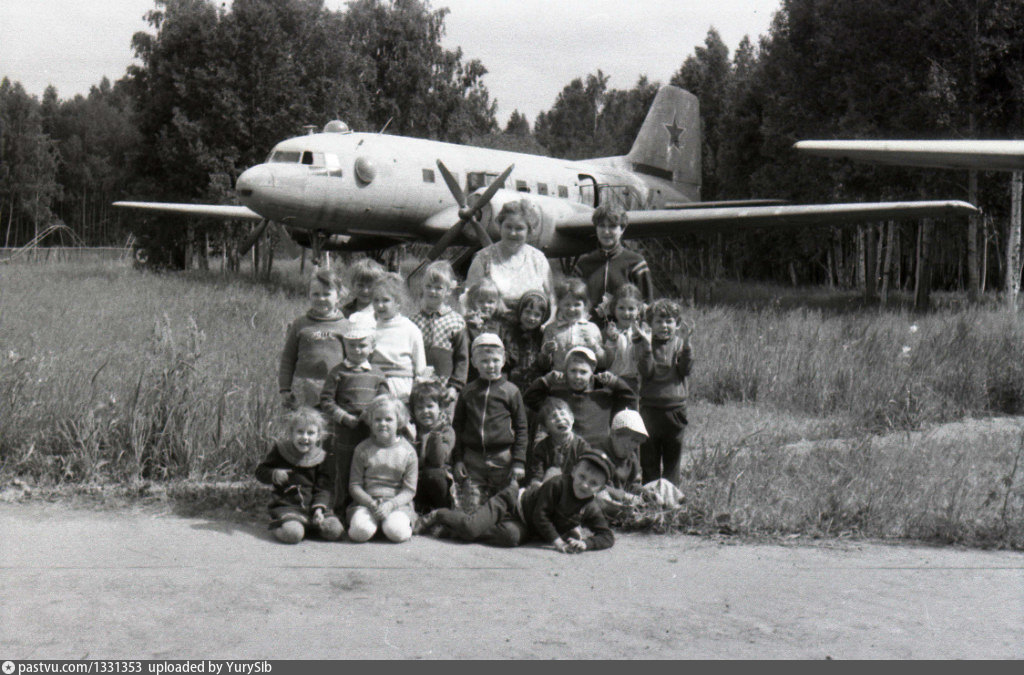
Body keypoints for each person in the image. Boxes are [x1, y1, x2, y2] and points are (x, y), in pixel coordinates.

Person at [417, 450, 616, 552]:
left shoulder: (590, 507)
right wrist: (557, 542)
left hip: (526, 524)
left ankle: (451, 530)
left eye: (593, 483)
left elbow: (607, 536)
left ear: (600, 489)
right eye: (582, 477)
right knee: (471, 528)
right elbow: (541, 515)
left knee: (511, 538)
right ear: (573, 471)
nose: (584, 485)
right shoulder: (557, 484)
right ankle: (440, 515)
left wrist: (586, 544)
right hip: (512, 501)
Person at [318, 312, 390, 515]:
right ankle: (341, 509)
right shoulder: (338, 372)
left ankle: (365, 507)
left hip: (370, 431)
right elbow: (326, 401)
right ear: (345, 346)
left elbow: (385, 400)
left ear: (372, 347)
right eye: (352, 345)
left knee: (368, 467)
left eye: (362, 345)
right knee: (344, 468)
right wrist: (344, 417)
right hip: (345, 431)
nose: (357, 350)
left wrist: (372, 414)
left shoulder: (377, 374)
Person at [451, 333, 529, 510]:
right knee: (471, 509)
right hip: (473, 459)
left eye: (495, 360)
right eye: (484, 361)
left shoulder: (511, 391)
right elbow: (457, 427)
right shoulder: (468, 392)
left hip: (503, 458)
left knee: (505, 507)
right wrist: (458, 460)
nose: (491, 365)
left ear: (503, 361)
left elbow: (521, 428)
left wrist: (518, 461)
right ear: (474, 362)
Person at [254, 407, 344, 544]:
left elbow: (324, 487)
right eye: (300, 432)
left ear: (319, 436)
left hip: (313, 506)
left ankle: (309, 525)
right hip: (288, 505)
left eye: (311, 433)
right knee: (293, 534)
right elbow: (260, 471)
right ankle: (281, 524)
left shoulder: (322, 457)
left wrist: (319, 509)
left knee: (335, 530)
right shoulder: (281, 450)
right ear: (291, 433)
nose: (305, 437)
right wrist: (274, 474)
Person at [524, 346, 636, 448]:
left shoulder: (604, 397)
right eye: (573, 371)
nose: (577, 376)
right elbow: (529, 398)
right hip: (569, 453)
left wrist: (615, 382)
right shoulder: (558, 398)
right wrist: (547, 380)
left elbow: (630, 399)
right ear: (566, 372)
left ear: (592, 373)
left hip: (597, 454)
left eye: (583, 372)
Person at [636, 298, 693, 485]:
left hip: (675, 410)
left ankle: (670, 494)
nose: (664, 326)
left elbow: (685, 370)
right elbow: (647, 372)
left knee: (672, 459)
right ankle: (650, 494)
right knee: (649, 458)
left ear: (677, 324)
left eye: (669, 321)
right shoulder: (645, 344)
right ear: (650, 324)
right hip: (650, 409)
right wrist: (646, 347)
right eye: (659, 321)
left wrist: (687, 345)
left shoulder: (680, 344)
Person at [347, 395, 419, 543]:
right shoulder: (362, 449)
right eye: (377, 420)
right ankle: (374, 525)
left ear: (399, 421)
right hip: (367, 504)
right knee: (360, 532)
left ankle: (390, 525)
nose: (383, 424)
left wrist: (391, 505)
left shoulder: (408, 452)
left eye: (388, 419)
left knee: (398, 533)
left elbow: (409, 490)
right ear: (370, 422)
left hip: (396, 505)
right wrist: (370, 503)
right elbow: (355, 485)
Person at [464, 199, 554, 311]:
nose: (512, 233)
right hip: (490, 321)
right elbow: (468, 300)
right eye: (508, 227)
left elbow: (552, 300)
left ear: (529, 231)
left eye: (519, 228)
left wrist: (549, 321)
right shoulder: (483, 258)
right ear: (500, 227)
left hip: (533, 320)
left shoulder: (538, 259)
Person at [571, 204, 654, 325]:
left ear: (622, 229)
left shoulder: (635, 263)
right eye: (601, 226)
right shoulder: (583, 264)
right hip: (590, 330)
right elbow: (572, 300)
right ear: (596, 228)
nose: (606, 231)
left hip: (626, 331)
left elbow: (647, 305)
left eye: (612, 226)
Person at [278, 269, 347, 409]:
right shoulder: (300, 324)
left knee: (331, 421)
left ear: (338, 297)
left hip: (335, 388)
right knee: (305, 420)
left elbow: (352, 360)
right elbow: (288, 358)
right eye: (316, 294)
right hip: (304, 387)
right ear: (309, 295)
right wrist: (285, 388)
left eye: (326, 294)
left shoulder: (346, 326)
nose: (321, 298)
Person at [410, 260, 468, 401]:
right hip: (418, 386)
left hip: (445, 387)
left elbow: (462, 358)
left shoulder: (456, 321)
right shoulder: (413, 321)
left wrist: (455, 387)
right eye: (428, 286)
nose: (432, 291)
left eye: (438, 288)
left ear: (448, 291)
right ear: (423, 287)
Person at [370, 272, 427, 403]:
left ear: (398, 302)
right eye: (376, 300)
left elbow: (420, 368)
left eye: (385, 300)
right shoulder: (370, 327)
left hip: (402, 388)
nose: (379, 305)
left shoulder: (410, 329)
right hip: (375, 386)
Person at [587, 409, 647, 519]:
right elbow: (596, 485)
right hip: (605, 497)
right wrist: (623, 495)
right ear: (614, 435)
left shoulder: (632, 457)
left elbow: (634, 484)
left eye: (636, 442)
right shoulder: (599, 453)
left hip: (625, 498)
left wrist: (645, 493)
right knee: (600, 496)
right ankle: (623, 514)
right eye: (625, 443)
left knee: (663, 485)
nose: (631, 446)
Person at [409, 379, 457, 513]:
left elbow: (438, 460)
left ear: (440, 408)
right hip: (417, 479)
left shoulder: (446, 430)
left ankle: (442, 511)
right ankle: (420, 510)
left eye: (430, 406)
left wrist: (435, 434)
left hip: (438, 481)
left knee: (433, 474)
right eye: (420, 408)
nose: (425, 411)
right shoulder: (412, 430)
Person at [542, 277, 606, 372]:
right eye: (567, 304)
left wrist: (594, 346)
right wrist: (546, 353)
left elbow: (603, 362)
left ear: (585, 305)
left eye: (577, 305)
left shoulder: (592, 329)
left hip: (584, 379)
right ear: (559, 304)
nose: (571, 309)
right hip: (559, 379)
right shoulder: (551, 329)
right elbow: (544, 365)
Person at [526, 397, 591, 487]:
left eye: (563, 414)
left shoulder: (582, 446)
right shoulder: (541, 448)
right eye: (553, 416)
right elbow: (537, 475)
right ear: (546, 427)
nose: (560, 418)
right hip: (548, 486)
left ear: (572, 418)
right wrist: (536, 483)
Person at [602, 283, 649, 394]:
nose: (626, 313)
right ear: (614, 308)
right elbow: (605, 362)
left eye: (631, 309)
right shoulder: (608, 331)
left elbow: (647, 357)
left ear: (639, 309)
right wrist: (611, 340)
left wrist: (641, 338)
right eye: (621, 308)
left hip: (637, 382)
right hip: (614, 380)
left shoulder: (644, 330)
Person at [501, 289, 550, 393]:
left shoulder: (542, 335)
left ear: (543, 318)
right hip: (511, 386)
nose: (531, 318)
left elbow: (545, 365)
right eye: (527, 312)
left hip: (535, 387)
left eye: (537, 315)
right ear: (520, 312)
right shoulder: (510, 333)